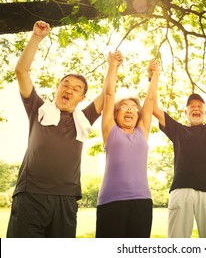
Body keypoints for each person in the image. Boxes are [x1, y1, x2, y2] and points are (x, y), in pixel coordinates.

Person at [7, 21, 104, 238]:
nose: (69, 89)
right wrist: (36, 38)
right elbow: (21, 71)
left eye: (76, 88)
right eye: (65, 85)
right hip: (30, 197)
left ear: (82, 98)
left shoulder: (84, 118)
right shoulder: (38, 109)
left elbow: (107, 96)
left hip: (66, 200)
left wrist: (113, 66)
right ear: (58, 89)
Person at [152, 84, 206, 238]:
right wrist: (152, 77)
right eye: (192, 106)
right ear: (186, 112)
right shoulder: (178, 130)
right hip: (181, 190)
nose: (196, 108)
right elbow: (153, 107)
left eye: (200, 106)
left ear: (205, 111)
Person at [95, 54, 160, 238]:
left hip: (142, 201)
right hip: (111, 201)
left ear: (138, 115)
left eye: (133, 107)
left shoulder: (142, 132)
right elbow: (109, 94)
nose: (130, 109)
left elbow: (149, 101)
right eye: (124, 107)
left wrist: (155, 74)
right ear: (115, 115)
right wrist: (113, 66)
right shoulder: (110, 130)